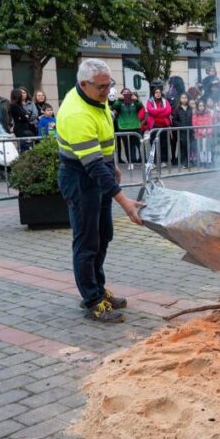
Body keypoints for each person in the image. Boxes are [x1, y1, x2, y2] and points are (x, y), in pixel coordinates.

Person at [56, 58, 144, 323]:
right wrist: (125, 202)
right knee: (87, 242)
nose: (108, 92)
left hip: (99, 171)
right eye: (102, 87)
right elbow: (93, 167)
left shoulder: (96, 97)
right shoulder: (76, 114)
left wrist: (113, 163)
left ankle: (98, 287)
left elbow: (104, 138)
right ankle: (92, 300)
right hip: (80, 178)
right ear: (84, 84)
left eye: (110, 85)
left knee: (103, 234)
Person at [111, 88, 143, 169]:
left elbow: (140, 106)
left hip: (135, 126)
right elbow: (114, 107)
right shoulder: (119, 103)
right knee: (128, 146)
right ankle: (131, 162)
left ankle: (144, 161)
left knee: (140, 145)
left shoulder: (134, 102)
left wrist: (136, 100)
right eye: (124, 93)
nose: (126, 94)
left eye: (128, 93)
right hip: (124, 127)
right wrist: (119, 99)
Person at [145, 87, 173, 167]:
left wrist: (157, 113)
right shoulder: (149, 101)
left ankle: (163, 161)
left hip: (164, 126)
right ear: (153, 93)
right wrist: (162, 110)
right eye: (156, 92)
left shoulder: (165, 101)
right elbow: (151, 111)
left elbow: (168, 111)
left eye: (159, 92)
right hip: (154, 126)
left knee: (164, 144)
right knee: (154, 144)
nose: (158, 94)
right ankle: (153, 162)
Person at [172, 93, 192, 167]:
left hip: (189, 130)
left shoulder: (190, 108)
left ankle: (188, 161)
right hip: (181, 131)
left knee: (189, 146)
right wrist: (180, 126)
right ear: (180, 99)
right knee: (183, 147)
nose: (184, 99)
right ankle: (183, 162)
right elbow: (174, 120)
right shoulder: (177, 109)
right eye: (182, 98)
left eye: (185, 98)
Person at [192, 100, 213, 167]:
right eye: (200, 106)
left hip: (208, 134)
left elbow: (211, 123)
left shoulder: (208, 113)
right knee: (201, 149)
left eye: (203, 105)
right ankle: (203, 161)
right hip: (199, 135)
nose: (201, 107)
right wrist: (201, 132)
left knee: (208, 148)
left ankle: (209, 161)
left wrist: (207, 131)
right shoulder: (195, 114)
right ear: (197, 106)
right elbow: (194, 125)